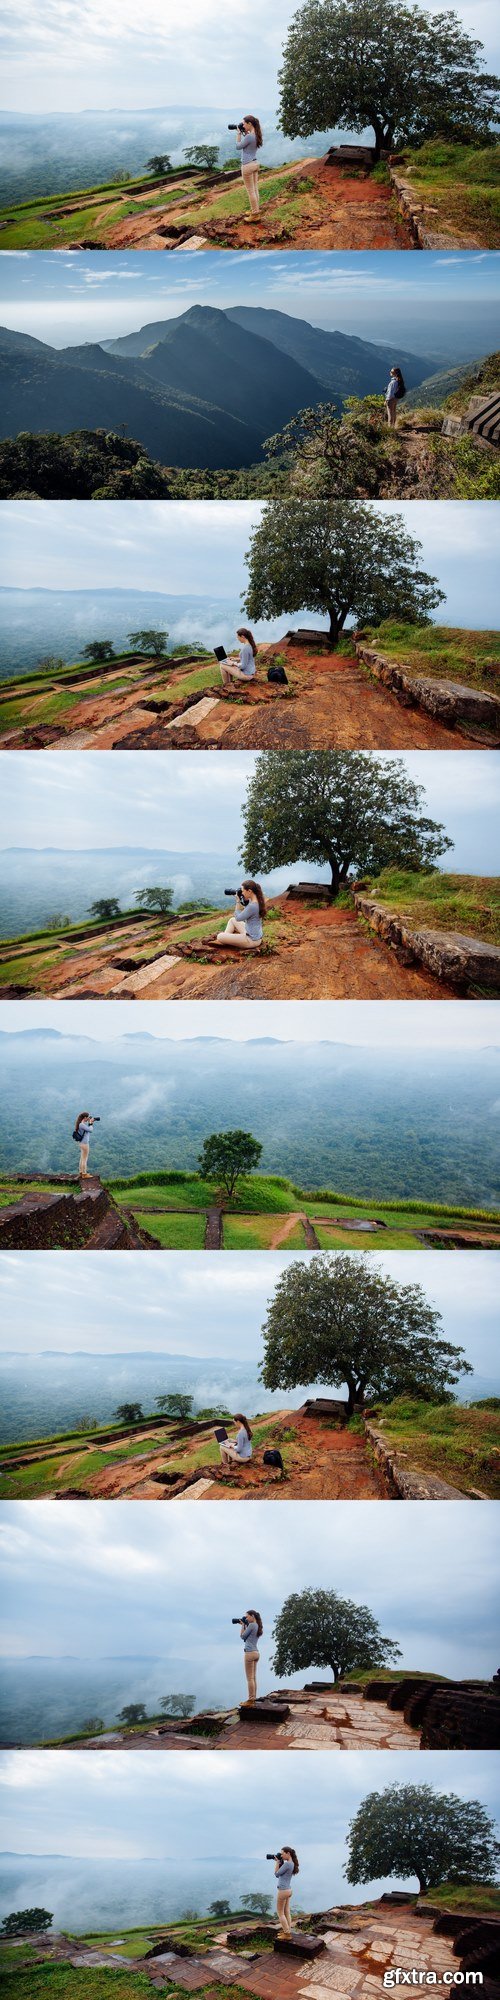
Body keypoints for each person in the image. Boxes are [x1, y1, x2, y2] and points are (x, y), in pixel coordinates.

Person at [216, 880, 266, 949]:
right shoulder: (257, 901)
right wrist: (244, 900)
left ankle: (225, 939)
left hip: (251, 940)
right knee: (232, 920)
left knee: (220, 936)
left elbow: (238, 918)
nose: (241, 892)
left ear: (249, 891)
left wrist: (238, 901)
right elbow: (247, 911)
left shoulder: (252, 906)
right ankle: (227, 938)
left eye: (242, 891)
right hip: (255, 936)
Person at [237, 117, 263, 218]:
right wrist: (245, 133)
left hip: (247, 165)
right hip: (255, 163)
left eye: (244, 124)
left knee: (250, 191)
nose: (242, 126)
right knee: (255, 189)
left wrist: (239, 134)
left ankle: (255, 214)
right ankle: (256, 209)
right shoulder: (256, 134)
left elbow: (238, 146)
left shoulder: (249, 137)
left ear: (250, 124)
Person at [238, 1609, 263, 1705]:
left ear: (252, 1616)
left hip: (249, 1653)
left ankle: (251, 1699)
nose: (246, 1618)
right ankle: (253, 1698)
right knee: (253, 1678)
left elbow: (243, 1637)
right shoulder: (257, 1626)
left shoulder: (252, 1625)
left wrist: (243, 1626)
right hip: (256, 1653)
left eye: (247, 1616)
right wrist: (245, 1624)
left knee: (250, 1678)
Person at [275, 1848, 300, 1936]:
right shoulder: (292, 1864)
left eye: (282, 1854)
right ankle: (288, 1930)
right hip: (288, 1890)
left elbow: (277, 1874)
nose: (281, 1855)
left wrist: (277, 1863)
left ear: (288, 1853)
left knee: (280, 1913)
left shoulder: (287, 1864)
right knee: (286, 1911)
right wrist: (280, 1863)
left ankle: (287, 1934)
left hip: (283, 1891)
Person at [73, 1111, 95, 1179]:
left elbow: (86, 1131)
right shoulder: (82, 1125)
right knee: (85, 1159)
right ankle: (84, 1174)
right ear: (85, 1117)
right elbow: (90, 1130)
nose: (88, 1118)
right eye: (87, 1117)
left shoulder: (80, 1124)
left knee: (82, 1158)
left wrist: (89, 1123)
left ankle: (81, 1172)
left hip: (82, 1143)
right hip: (85, 1144)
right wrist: (91, 1123)